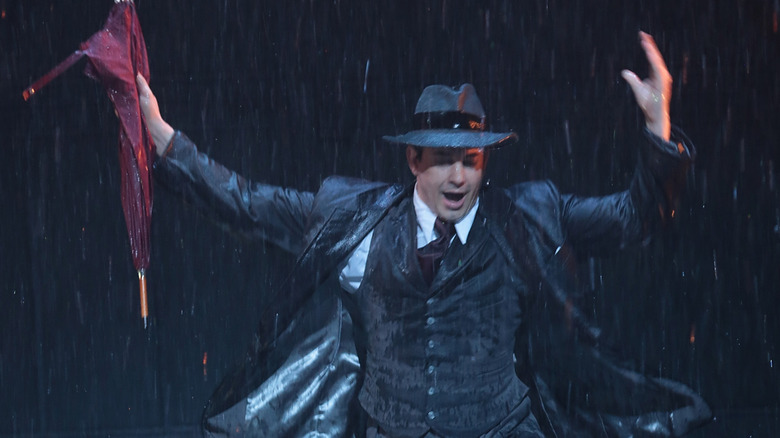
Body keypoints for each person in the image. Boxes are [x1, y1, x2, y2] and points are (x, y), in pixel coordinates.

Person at [137, 31, 710, 437]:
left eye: (472, 161)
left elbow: (635, 217)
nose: (458, 176)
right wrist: (164, 139)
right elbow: (247, 204)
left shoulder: (527, 217)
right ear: (413, 160)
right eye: (442, 160)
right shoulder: (355, 218)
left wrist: (657, 124)